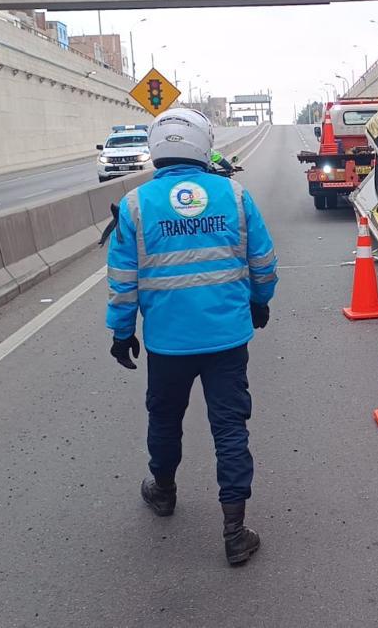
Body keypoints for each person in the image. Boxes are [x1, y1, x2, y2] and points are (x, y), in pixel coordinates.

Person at [105, 107, 278, 566]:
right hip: (226, 339)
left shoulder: (136, 205)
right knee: (229, 427)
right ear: (204, 144)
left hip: (168, 343)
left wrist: (122, 334)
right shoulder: (235, 196)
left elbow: (123, 280)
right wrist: (260, 302)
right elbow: (262, 261)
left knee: (164, 418)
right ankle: (235, 531)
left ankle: (162, 492)